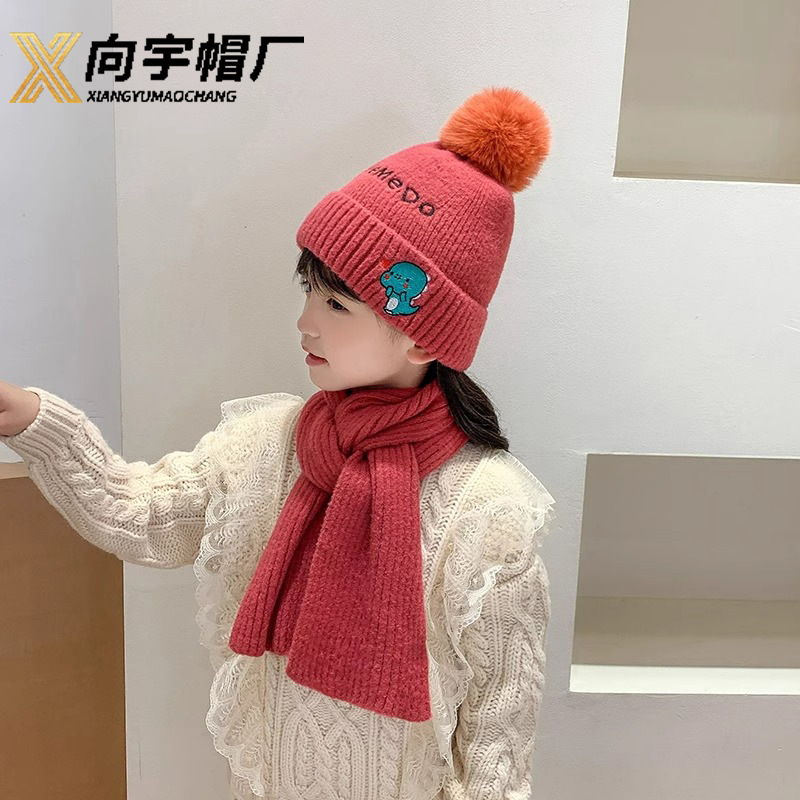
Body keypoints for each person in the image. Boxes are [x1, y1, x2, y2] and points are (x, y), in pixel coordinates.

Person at [0, 85, 557, 800]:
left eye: (336, 304)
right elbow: (138, 517)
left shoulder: (488, 510)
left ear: (423, 336)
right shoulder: (266, 447)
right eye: (308, 291)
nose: (305, 322)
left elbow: (496, 738)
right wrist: (32, 419)